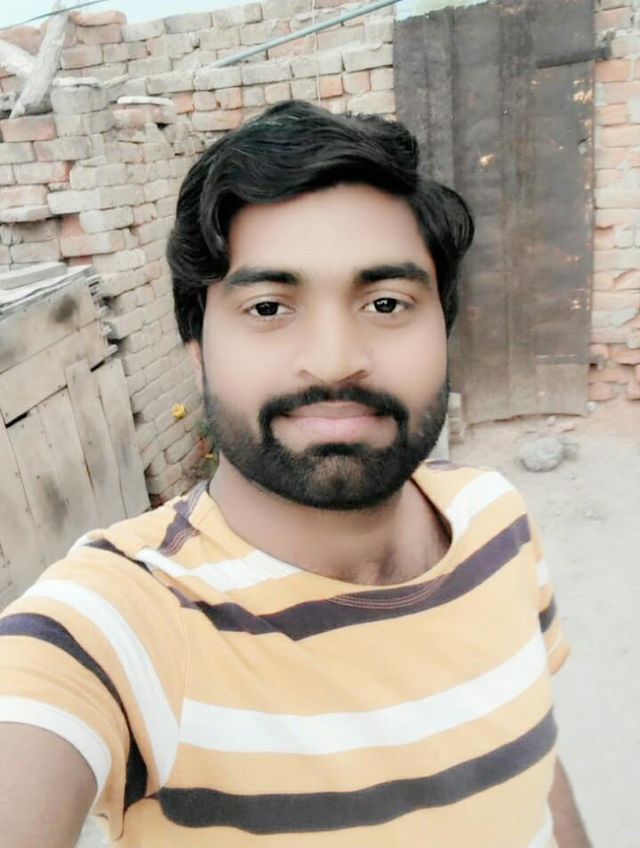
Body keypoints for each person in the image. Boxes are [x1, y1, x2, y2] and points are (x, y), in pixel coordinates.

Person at [0, 100, 591, 848]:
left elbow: (534, 757)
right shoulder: (119, 626)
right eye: (269, 307)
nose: (335, 359)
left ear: (444, 330)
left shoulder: (496, 517)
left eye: (386, 302)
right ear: (197, 350)